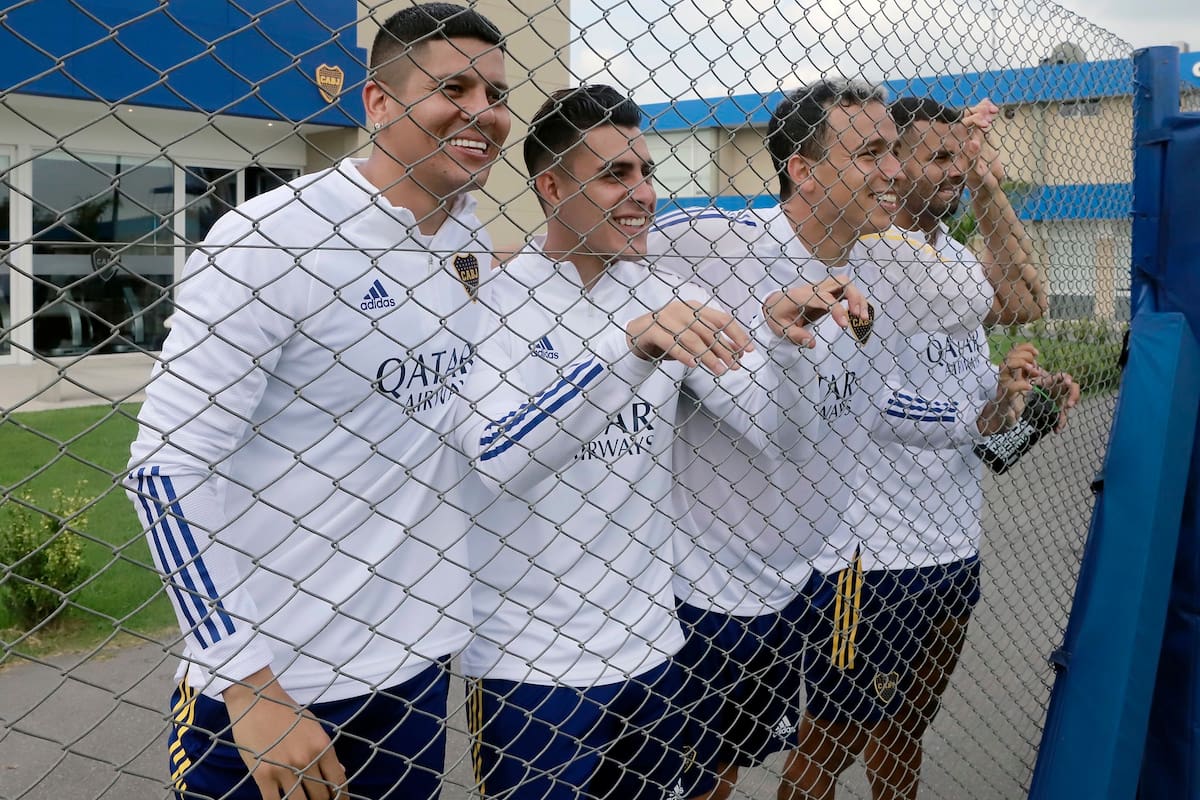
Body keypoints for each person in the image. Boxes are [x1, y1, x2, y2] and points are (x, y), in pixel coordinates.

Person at [122, 5, 511, 799]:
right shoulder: (271, 238)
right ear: (378, 103)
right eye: (453, 87)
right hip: (273, 684)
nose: (482, 113)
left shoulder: (467, 242)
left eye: (497, 94)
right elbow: (164, 469)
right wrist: (249, 683)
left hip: (412, 672)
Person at [455, 84, 861, 800]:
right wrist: (629, 355)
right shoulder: (494, 300)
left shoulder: (667, 296)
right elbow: (497, 460)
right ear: (551, 186)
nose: (642, 193)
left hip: (652, 649)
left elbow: (785, 436)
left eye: (646, 173)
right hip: (531, 664)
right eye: (616, 174)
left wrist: (788, 342)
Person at [777, 97, 1080, 800]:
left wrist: (1019, 393)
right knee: (830, 744)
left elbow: (1019, 304)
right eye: (939, 158)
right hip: (872, 558)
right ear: (891, 164)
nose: (957, 170)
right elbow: (878, 403)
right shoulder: (868, 254)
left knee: (908, 728)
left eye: (963, 156)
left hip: (952, 543)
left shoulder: (948, 257)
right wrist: (981, 411)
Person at [646, 80, 909, 800]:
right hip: (701, 585)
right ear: (803, 166)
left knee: (728, 771)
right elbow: (586, 246)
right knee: (684, 782)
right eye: (871, 153)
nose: (896, 171)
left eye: (895, 151)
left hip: (800, 582)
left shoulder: (878, 267)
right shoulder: (706, 242)